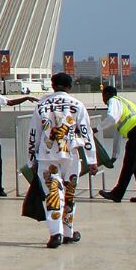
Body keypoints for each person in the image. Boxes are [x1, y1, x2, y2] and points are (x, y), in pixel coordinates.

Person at [25, 72, 93, 248]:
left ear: (53, 85)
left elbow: (34, 134)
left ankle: (56, 234)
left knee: (52, 194)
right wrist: (92, 159)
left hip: (47, 157)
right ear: (69, 87)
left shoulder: (41, 105)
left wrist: (31, 160)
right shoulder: (77, 105)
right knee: (69, 193)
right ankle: (68, 232)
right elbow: (86, 132)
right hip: (70, 156)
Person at [99, 83, 136, 202]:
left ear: (107, 94)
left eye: (103, 96)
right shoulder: (122, 106)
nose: (103, 100)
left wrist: (97, 128)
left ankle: (117, 194)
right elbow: (117, 134)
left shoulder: (113, 101)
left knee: (129, 164)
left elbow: (111, 118)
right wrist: (114, 156)